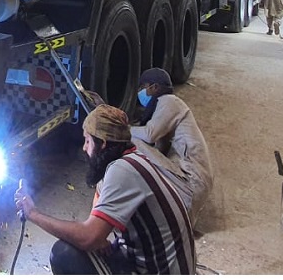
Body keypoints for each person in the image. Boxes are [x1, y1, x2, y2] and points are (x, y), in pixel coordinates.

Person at [13, 104, 195, 275]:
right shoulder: (128, 159)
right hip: (150, 262)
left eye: (87, 141)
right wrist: (97, 238)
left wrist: (33, 214)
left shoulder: (123, 170)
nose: (84, 148)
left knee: (63, 254)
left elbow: (88, 237)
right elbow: (96, 221)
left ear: (103, 144)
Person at [130, 67, 213, 222]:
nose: (140, 92)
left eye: (142, 87)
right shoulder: (166, 108)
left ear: (154, 87)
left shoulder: (169, 101)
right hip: (193, 183)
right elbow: (160, 149)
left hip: (192, 182)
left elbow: (149, 135)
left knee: (132, 141)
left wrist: (124, 129)